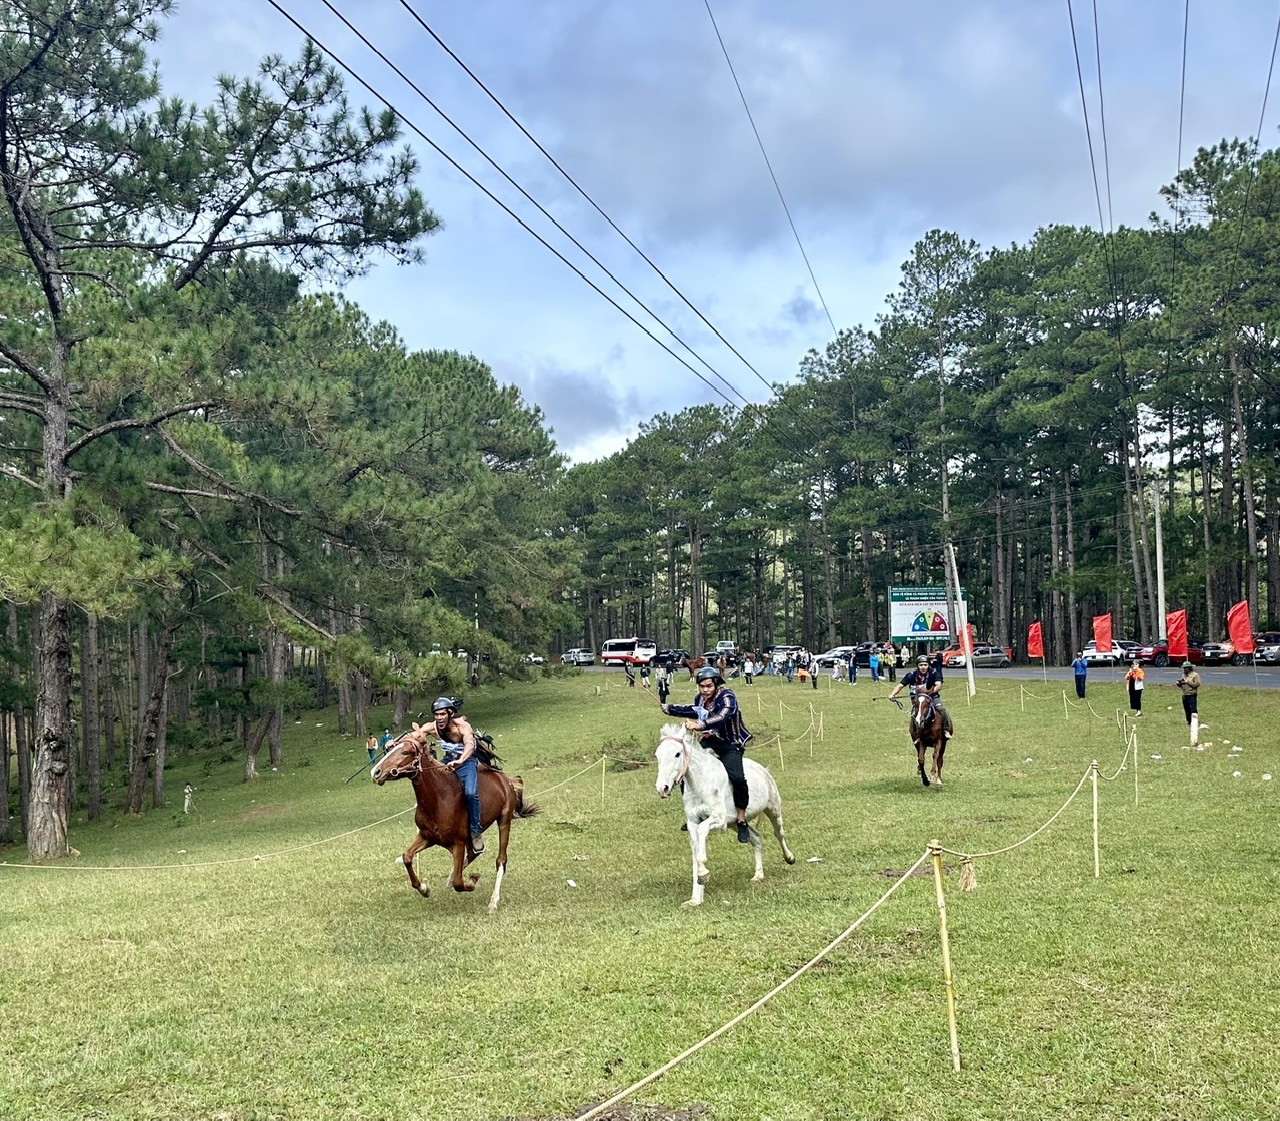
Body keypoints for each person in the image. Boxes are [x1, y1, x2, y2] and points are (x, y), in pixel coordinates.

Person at [661, 664, 754, 843]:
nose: (705, 690)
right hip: (710, 741)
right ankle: (693, 813)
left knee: (738, 778)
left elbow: (722, 716)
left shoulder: (728, 697)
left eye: (709, 686)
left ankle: (741, 819)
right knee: (686, 770)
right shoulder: (700, 699)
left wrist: (700, 725)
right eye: (702, 686)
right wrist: (670, 709)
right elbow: (692, 709)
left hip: (730, 743)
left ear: (716, 684)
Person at [430, 696, 487, 854]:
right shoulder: (434, 727)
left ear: (450, 713)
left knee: (469, 792)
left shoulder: (462, 727)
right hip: (448, 760)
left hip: (466, 762)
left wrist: (461, 760)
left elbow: (469, 745)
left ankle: (475, 832)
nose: (439, 718)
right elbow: (417, 734)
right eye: (436, 714)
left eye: (442, 714)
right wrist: (394, 743)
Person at [888, 654, 954, 739]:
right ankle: (916, 734)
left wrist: (929, 693)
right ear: (918, 666)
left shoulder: (934, 673)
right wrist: (893, 694)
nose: (923, 667)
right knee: (914, 714)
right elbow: (900, 685)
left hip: (932, 697)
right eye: (921, 665)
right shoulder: (911, 675)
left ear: (928, 665)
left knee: (941, 709)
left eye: (925, 665)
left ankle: (945, 729)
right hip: (918, 700)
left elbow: (938, 685)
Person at [1175, 660, 1201, 725]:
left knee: (1193, 709)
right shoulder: (1183, 675)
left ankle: (1194, 722)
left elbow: (1197, 684)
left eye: (1186, 668)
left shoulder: (1195, 675)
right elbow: (1183, 683)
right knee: (1186, 709)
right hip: (1185, 694)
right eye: (1184, 668)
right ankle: (1189, 722)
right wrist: (1180, 684)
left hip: (1191, 694)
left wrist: (1187, 682)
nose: (1184, 669)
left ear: (1189, 668)